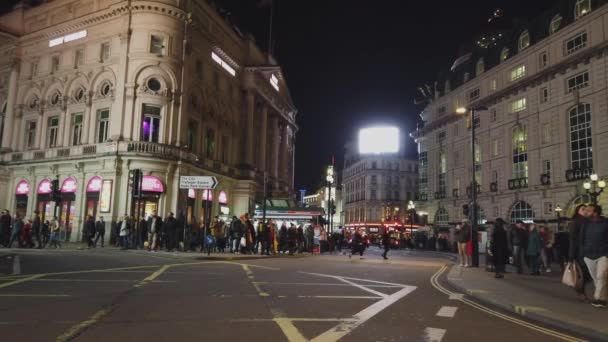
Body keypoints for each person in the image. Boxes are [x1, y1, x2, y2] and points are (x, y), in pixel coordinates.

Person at [579, 204, 608, 308]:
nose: (586, 212)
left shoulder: (606, 223)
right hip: (588, 256)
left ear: (595, 213)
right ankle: (603, 298)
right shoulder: (585, 224)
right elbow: (581, 239)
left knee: (601, 276)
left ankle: (597, 298)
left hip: (603, 255)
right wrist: (583, 254)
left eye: (589, 210)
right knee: (596, 278)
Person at [568, 204, 591, 302]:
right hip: (580, 252)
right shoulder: (576, 222)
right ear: (577, 211)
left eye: (586, 209)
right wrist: (571, 255)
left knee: (588, 274)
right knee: (583, 273)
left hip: (588, 251)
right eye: (583, 209)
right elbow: (573, 239)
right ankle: (580, 291)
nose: (585, 210)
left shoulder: (588, 221)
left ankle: (580, 290)